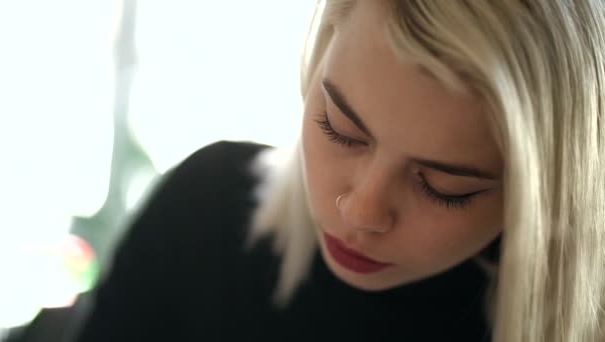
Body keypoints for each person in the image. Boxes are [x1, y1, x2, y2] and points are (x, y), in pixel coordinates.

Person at [72, 1, 605, 341]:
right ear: (319, 54)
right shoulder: (204, 212)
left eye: (444, 187)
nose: (361, 210)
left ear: (546, 192)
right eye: (340, 129)